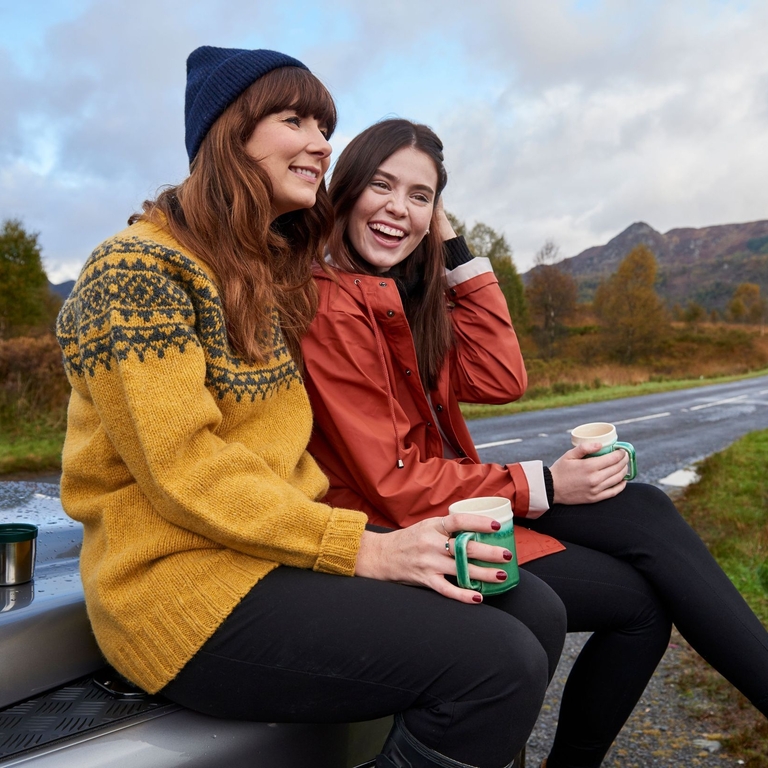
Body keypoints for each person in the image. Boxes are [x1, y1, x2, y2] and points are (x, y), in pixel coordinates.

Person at [55, 47, 568, 768]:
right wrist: (367, 548)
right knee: (497, 664)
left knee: (531, 607)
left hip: (272, 559)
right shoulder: (139, 269)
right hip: (182, 592)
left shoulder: (263, 271)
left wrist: (436, 224)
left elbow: (373, 260)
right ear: (230, 134)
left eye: (324, 125)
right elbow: (185, 470)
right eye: (294, 119)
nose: (321, 143)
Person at [301, 118, 768, 768]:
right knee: (639, 609)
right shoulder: (329, 304)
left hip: (452, 503)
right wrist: (545, 483)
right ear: (344, 190)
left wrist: (455, 253)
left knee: (645, 510)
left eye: (420, 196)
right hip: (397, 529)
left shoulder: (404, 296)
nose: (398, 209)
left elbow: (501, 376)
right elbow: (395, 485)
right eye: (381, 185)